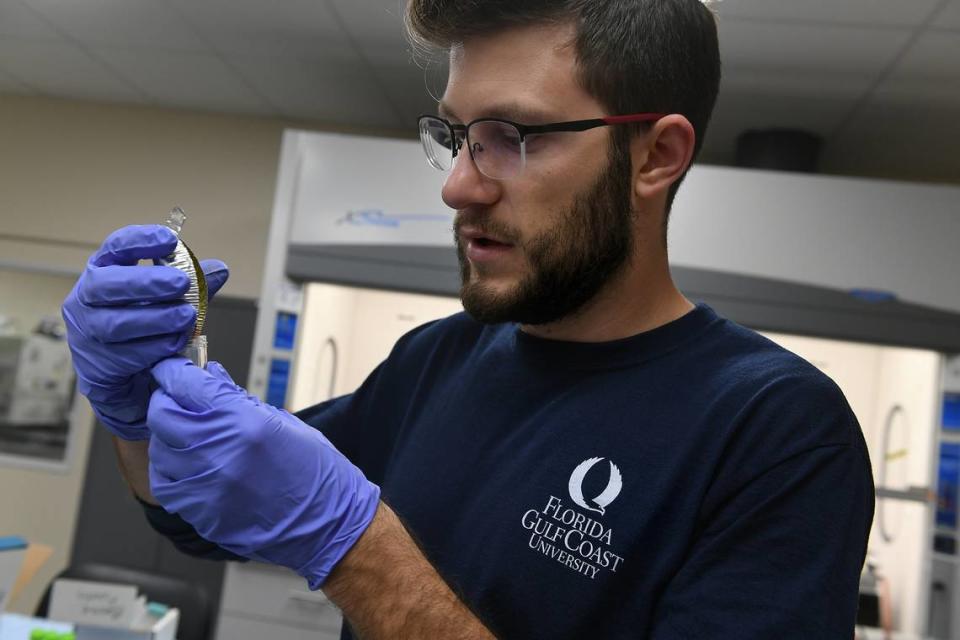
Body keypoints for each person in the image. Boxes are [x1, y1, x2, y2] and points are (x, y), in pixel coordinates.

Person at [61, 1, 875, 638]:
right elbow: (202, 515)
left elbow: (334, 536)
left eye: (512, 136)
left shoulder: (777, 430)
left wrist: (356, 549)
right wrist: (134, 409)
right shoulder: (442, 358)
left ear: (656, 155)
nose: (459, 186)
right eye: (458, 136)